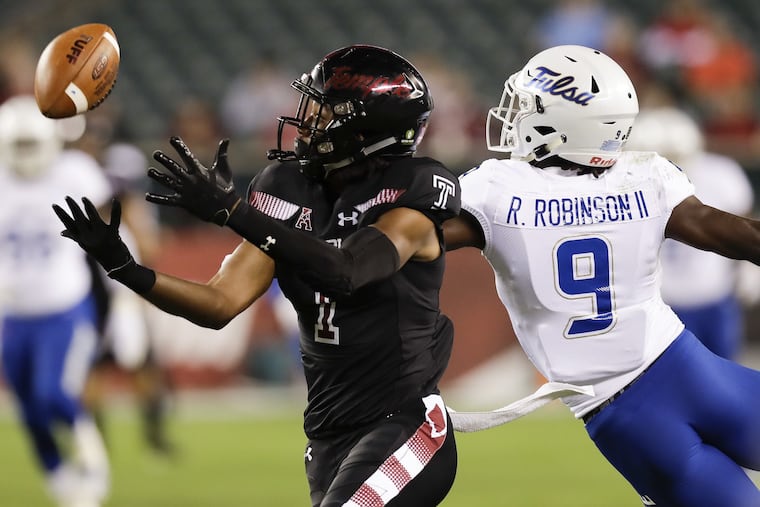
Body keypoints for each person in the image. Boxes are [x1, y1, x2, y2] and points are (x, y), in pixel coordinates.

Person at [54, 45, 460, 506]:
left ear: (366, 129)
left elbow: (349, 271)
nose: (307, 120)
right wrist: (126, 269)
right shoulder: (286, 186)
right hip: (328, 434)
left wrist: (233, 212)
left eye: (324, 111)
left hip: (405, 424)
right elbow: (219, 303)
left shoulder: (413, 189)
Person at [442, 45, 760, 506]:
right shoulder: (645, 178)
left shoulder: (496, 191)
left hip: (627, 419)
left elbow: (404, 246)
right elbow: (738, 235)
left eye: (528, 107)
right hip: (693, 374)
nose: (514, 118)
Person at [0, 95, 111, 507]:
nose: (26, 155)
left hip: (63, 306)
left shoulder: (74, 173)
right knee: (27, 409)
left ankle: (91, 453)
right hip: (12, 314)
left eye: (32, 144)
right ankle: (56, 474)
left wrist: (123, 290)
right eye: (19, 146)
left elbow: (107, 231)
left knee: (52, 393)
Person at [626, 106, 760, 360]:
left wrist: (748, 270)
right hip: (659, 306)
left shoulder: (721, 174)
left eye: (675, 155)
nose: (669, 165)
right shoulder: (622, 184)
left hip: (715, 298)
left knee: (723, 372)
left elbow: (743, 218)